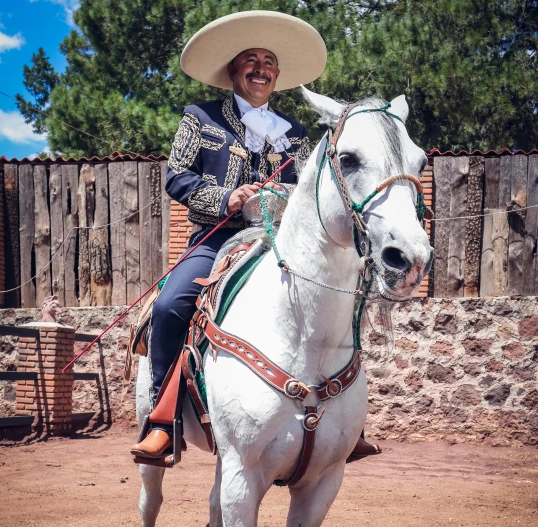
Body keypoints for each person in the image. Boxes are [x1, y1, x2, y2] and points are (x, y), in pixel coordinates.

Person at [131, 10, 380, 462]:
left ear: (277, 74)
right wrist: (226, 198)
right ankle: (163, 421)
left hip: (284, 242)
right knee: (170, 307)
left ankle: (348, 423)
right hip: (216, 240)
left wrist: (284, 194)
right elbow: (177, 177)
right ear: (233, 70)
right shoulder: (199, 118)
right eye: (250, 59)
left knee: (344, 299)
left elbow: (314, 189)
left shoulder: (298, 134)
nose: (260, 68)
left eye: (268, 61)